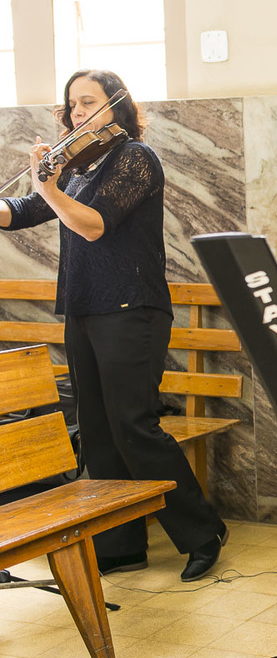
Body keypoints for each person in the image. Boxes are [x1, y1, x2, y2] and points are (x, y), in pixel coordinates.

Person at [0, 69, 228, 582]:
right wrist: (37, 191)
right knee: (99, 433)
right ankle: (119, 544)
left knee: (133, 427)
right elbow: (21, 210)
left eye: (89, 102)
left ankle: (203, 531)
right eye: (72, 105)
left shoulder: (135, 159)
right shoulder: (75, 170)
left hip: (132, 309)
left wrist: (50, 186)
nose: (78, 112)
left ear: (116, 107)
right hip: (83, 310)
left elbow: (94, 225)